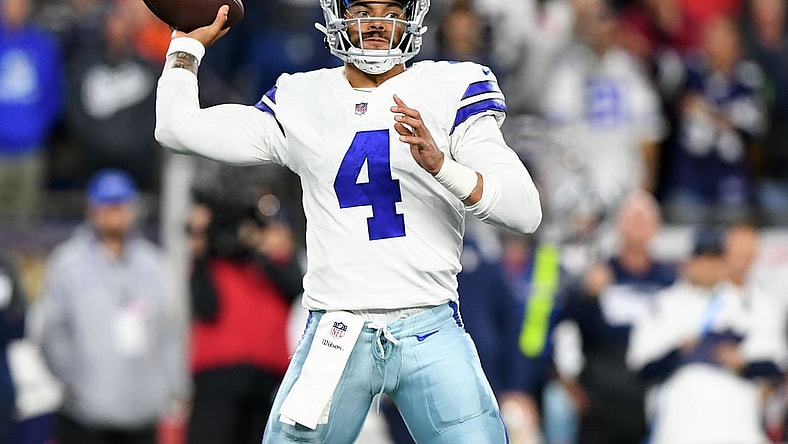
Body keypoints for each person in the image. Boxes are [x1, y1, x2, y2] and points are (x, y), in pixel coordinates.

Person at [154, 0, 543, 442]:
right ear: (338, 13)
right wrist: (185, 47)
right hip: (337, 329)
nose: (377, 22)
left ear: (411, 15)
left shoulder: (452, 86)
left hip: (428, 324)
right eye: (362, 8)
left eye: (390, 9)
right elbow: (176, 127)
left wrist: (441, 166)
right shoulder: (303, 97)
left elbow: (524, 211)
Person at [31, 168, 188, 444]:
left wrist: (169, 387)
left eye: (120, 206)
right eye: (107, 206)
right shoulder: (68, 264)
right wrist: (75, 381)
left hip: (142, 413)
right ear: (92, 210)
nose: (114, 214)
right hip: (84, 415)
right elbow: (52, 332)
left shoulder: (154, 265)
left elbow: (171, 331)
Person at [627, 224, 787, 444]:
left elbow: (775, 363)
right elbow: (641, 366)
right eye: (702, 259)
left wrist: (741, 362)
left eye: (714, 260)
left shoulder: (747, 305)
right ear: (689, 263)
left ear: (724, 263)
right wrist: (679, 351)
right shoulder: (665, 303)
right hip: (679, 425)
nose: (707, 267)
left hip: (736, 424)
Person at [558, 189, 677, 444]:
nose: (638, 227)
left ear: (656, 227)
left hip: (652, 392)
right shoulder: (597, 274)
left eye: (644, 219)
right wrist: (588, 296)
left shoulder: (669, 281)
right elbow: (563, 326)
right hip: (601, 398)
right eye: (632, 219)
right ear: (619, 226)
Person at [185, 191, 304, 444]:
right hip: (217, 379)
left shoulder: (281, 266)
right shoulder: (217, 260)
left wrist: (259, 249)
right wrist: (203, 242)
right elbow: (205, 305)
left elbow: (293, 284)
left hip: (265, 384)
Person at [0, 0, 64, 225]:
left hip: (30, 148)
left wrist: (36, 129)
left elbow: (53, 95)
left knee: (26, 223)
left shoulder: (42, 44)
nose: (14, 9)